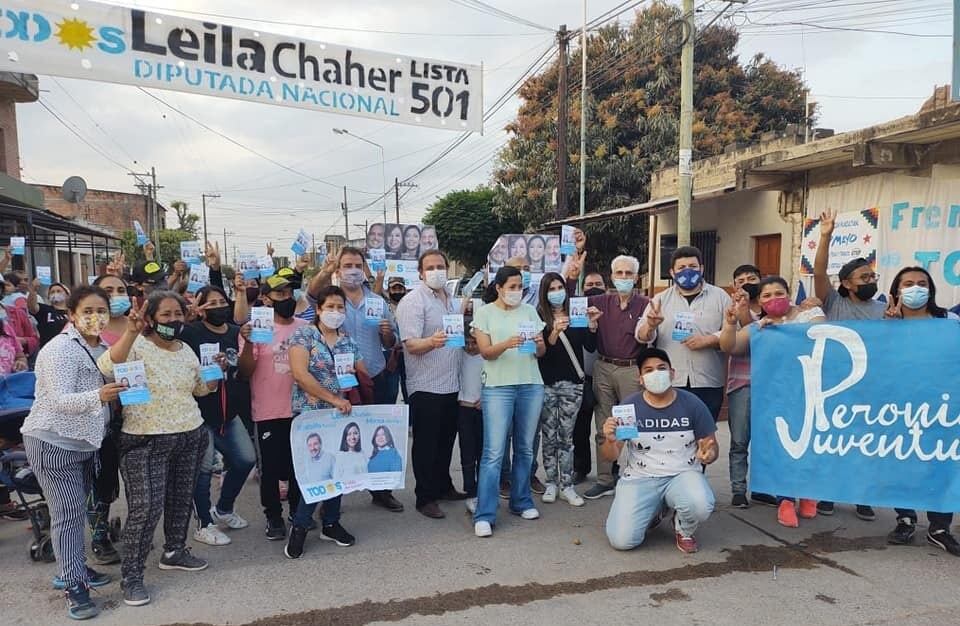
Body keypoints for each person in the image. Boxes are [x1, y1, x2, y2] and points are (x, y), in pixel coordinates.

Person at [97, 291, 217, 607]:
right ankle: (132, 577)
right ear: (151, 318)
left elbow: (201, 389)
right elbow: (108, 364)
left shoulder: (186, 350)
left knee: (180, 500)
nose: (173, 320)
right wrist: (132, 331)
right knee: (145, 508)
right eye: (165, 315)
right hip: (144, 441)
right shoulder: (135, 347)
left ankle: (175, 551)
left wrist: (214, 373)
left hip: (189, 435)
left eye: (178, 314)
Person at [20, 286, 125, 619]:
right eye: (88, 310)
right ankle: (74, 587)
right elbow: (58, 400)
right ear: (72, 315)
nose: (95, 317)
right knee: (67, 514)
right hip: (53, 441)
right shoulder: (60, 350)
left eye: (101, 310)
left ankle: (73, 567)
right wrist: (100, 396)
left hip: (84, 443)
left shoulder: (104, 348)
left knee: (75, 512)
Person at [719, 276, 825, 528]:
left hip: (803, 392)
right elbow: (730, 346)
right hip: (772, 394)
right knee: (780, 445)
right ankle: (785, 499)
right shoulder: (760, 327)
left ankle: (808, 492)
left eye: (779, 293)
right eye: (766, 296)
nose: (773, 299)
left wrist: (790, 325)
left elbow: (822, 332)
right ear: (760, 302)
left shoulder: (808, 315)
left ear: (789, 294)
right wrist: (730, 323)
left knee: (806, 443)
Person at [603, 347, 719, 553]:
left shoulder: (692, 404)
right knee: (622, 541)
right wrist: (610, 440)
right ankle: (656, 510)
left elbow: (711, 447)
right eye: (648, 370)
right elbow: (610, 455)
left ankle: (684, 528)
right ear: (640, 378)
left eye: (661, 368)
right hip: (640, 478)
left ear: (672, 373)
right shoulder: (629, 408)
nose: (655, 374)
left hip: (682, 474)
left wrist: (709, 455)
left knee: (700, 504)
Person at [882, 266, 960, 555]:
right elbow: (881, 363)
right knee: (902, 461)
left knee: (941, 462)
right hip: (901, 405)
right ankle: (905, 520)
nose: (916, 288)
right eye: (909, 283)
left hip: (942, 406)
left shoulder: (949, 320)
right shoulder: (888, 323)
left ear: (931, 289)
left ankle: (940, 528)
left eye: (922, 283)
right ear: (897, 291)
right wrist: (890, 330)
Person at [812, 208, 884, 520]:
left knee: (864, 444)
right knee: (833, 441)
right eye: (864, 277)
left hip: (871, 387)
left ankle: (861, 496)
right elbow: (818, 273)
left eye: (873, 276)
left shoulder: (884, 310)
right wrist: (825, 236)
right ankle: (828, 494)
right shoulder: (834, 303)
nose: (870, 281)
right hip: (836, 384)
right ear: (847, 283)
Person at [284, 285, 362, 559]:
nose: (335, 312)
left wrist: (356, 372)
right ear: (318, 309)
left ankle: (331, 522)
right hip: (310, 414)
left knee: (337, 467)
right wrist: (332, 399)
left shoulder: (347, 341)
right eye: (330, 307)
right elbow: (300, 375)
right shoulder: (304, 335)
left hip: (340, 414)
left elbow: (360, 372)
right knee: (315, 472)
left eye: (340, 308)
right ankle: (300, 526)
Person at [471, 266, 546, 538]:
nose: (517, 292)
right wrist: (507, 343)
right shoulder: (484, 313)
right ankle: (485, 513)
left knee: (526, 448)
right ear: (499, 287)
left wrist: (538, 343)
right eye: (512, 287)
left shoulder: (528, 311)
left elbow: (540, 351)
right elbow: (486, 352)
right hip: (498, 387)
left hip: (530, 384)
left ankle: (521, 501)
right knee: (494, 452)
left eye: (520, 287)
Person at [181, 285, 257, 547]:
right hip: (200, 414)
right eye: (210, 303)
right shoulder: (191, 333)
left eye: (221, 301)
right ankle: (204, 523)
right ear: (200, 308)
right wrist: (187, 317)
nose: (217, 307)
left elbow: (246, 371)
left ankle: (223, 508)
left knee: (246, 459)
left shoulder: (236, 333)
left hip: (229, 413)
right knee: (202, 471)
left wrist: (248, 343)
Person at [396, 250, 466, 520]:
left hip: (451, 383)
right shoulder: (413, 301)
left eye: (441, 266)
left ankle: (443, 485)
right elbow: (411, 344)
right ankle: (425, 497)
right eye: (431, 267)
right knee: (426, 444)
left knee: (446, 441)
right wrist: (431, 342)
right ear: (421, 273)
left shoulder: (449, 300)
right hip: (426, 386)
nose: (437, 271)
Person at [238, 275, 307, 541]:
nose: (286, 299)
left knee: (298, 466)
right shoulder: (255, 329)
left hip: (301, 409)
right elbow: (245, 372)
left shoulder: (304, 327)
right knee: (270, 469)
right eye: (279, 295)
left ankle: (297, 512)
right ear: (266, 299)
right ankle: (273, 516)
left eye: (289, 293)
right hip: (268, 410)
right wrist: (249, 344)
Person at [578, 255, 650, 500]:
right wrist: (570, 272)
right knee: (603, 425)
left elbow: (650, 333)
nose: (623, 278)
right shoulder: (600, 301)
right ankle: (605, 479)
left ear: (636, 277)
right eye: (619, 273)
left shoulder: (645, 304)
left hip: (632, 368)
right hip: (604, 367)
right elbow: (569, 303)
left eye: (628, 274)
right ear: (611, 277)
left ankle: (633, 474)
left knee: (630, 426)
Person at [634, 247, 730, 426]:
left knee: (705, 436)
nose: (688, 270)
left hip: (707, 380)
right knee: (674, 436)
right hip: (671, 381)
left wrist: (710, 339)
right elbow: (641, 336)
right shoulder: (659, 300)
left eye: (693, 266)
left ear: (701, 268)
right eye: (681, 267)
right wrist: (651, 325)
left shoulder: (720, 297)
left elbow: (734, 331)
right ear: (672, 272)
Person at [720, 264, 777, 509]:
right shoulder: (731, 310)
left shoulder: (773, 308)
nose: (746, 283)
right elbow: (739, 337)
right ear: (734, 286)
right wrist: (741, 310)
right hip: (741, 383)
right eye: (740, 280)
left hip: (771, 385)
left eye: (751, 278)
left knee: (768, 441)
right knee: (739, 441)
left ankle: (764, 489)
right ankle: (738, 489)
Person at [536, 272, 595, 507]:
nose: (557, 291)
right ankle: (550, 481)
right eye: (551, 288)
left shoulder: (577, 313)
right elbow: (541, 351)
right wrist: (554, 331)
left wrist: (592, 326)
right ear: (544, 292)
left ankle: (567, 484)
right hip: (547, 383)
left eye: (560, 287)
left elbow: (591, 346)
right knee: (548, 434)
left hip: (573, 383)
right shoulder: (538, 316)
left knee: (566, 436)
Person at [572, 271, 604, 484]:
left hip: (605, 376)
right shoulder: (576, 310)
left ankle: (611, 469)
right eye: (589, 284)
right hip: (582, 377)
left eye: (598, 283)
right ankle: (580, 467)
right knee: (580, 428)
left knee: (608, 427)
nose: (593, 287)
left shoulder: (611, 307)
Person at [458, 325, 484, 514]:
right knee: (467, 453)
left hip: (482, 409)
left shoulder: (487, 357)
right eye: (467, 343)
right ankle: (470, 490)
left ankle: (484, 490)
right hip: (463, 410)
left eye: (474, 342)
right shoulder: (458, 357)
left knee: (483, 452)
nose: (470, 346)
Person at [383, 277, 408, 404]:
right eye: (394, 288)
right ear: (389, 290)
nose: (397, 291)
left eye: (400, 288)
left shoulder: (411, 306)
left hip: (408, 352)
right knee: (391, 389)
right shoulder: (384, 307)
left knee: (408, 388)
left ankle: (410, 420)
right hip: (390, 354)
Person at [27, 279, 69, 351]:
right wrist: (33, 290)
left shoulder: (74, 312)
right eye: (52, 292)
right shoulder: (45, 310)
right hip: (49, 352)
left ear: (67, 295)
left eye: (59, 291)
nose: (55, 294)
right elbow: (32, 307)